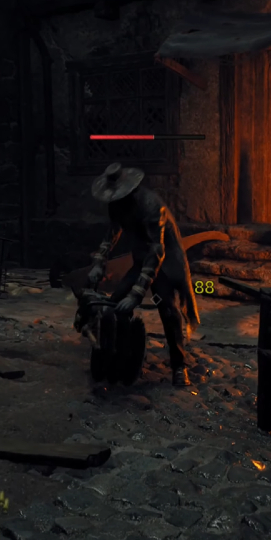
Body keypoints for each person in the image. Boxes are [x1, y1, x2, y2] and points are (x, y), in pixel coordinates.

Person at [86, 163, 199, 386]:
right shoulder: (117, 204)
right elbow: (112, 234)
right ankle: (120, 355)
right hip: (141, 259)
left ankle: (179, 366)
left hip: (165, 263)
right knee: (115, 303)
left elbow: (157, 251)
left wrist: (136, 295)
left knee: (167, 309)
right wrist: (99, 263)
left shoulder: (151, 206)